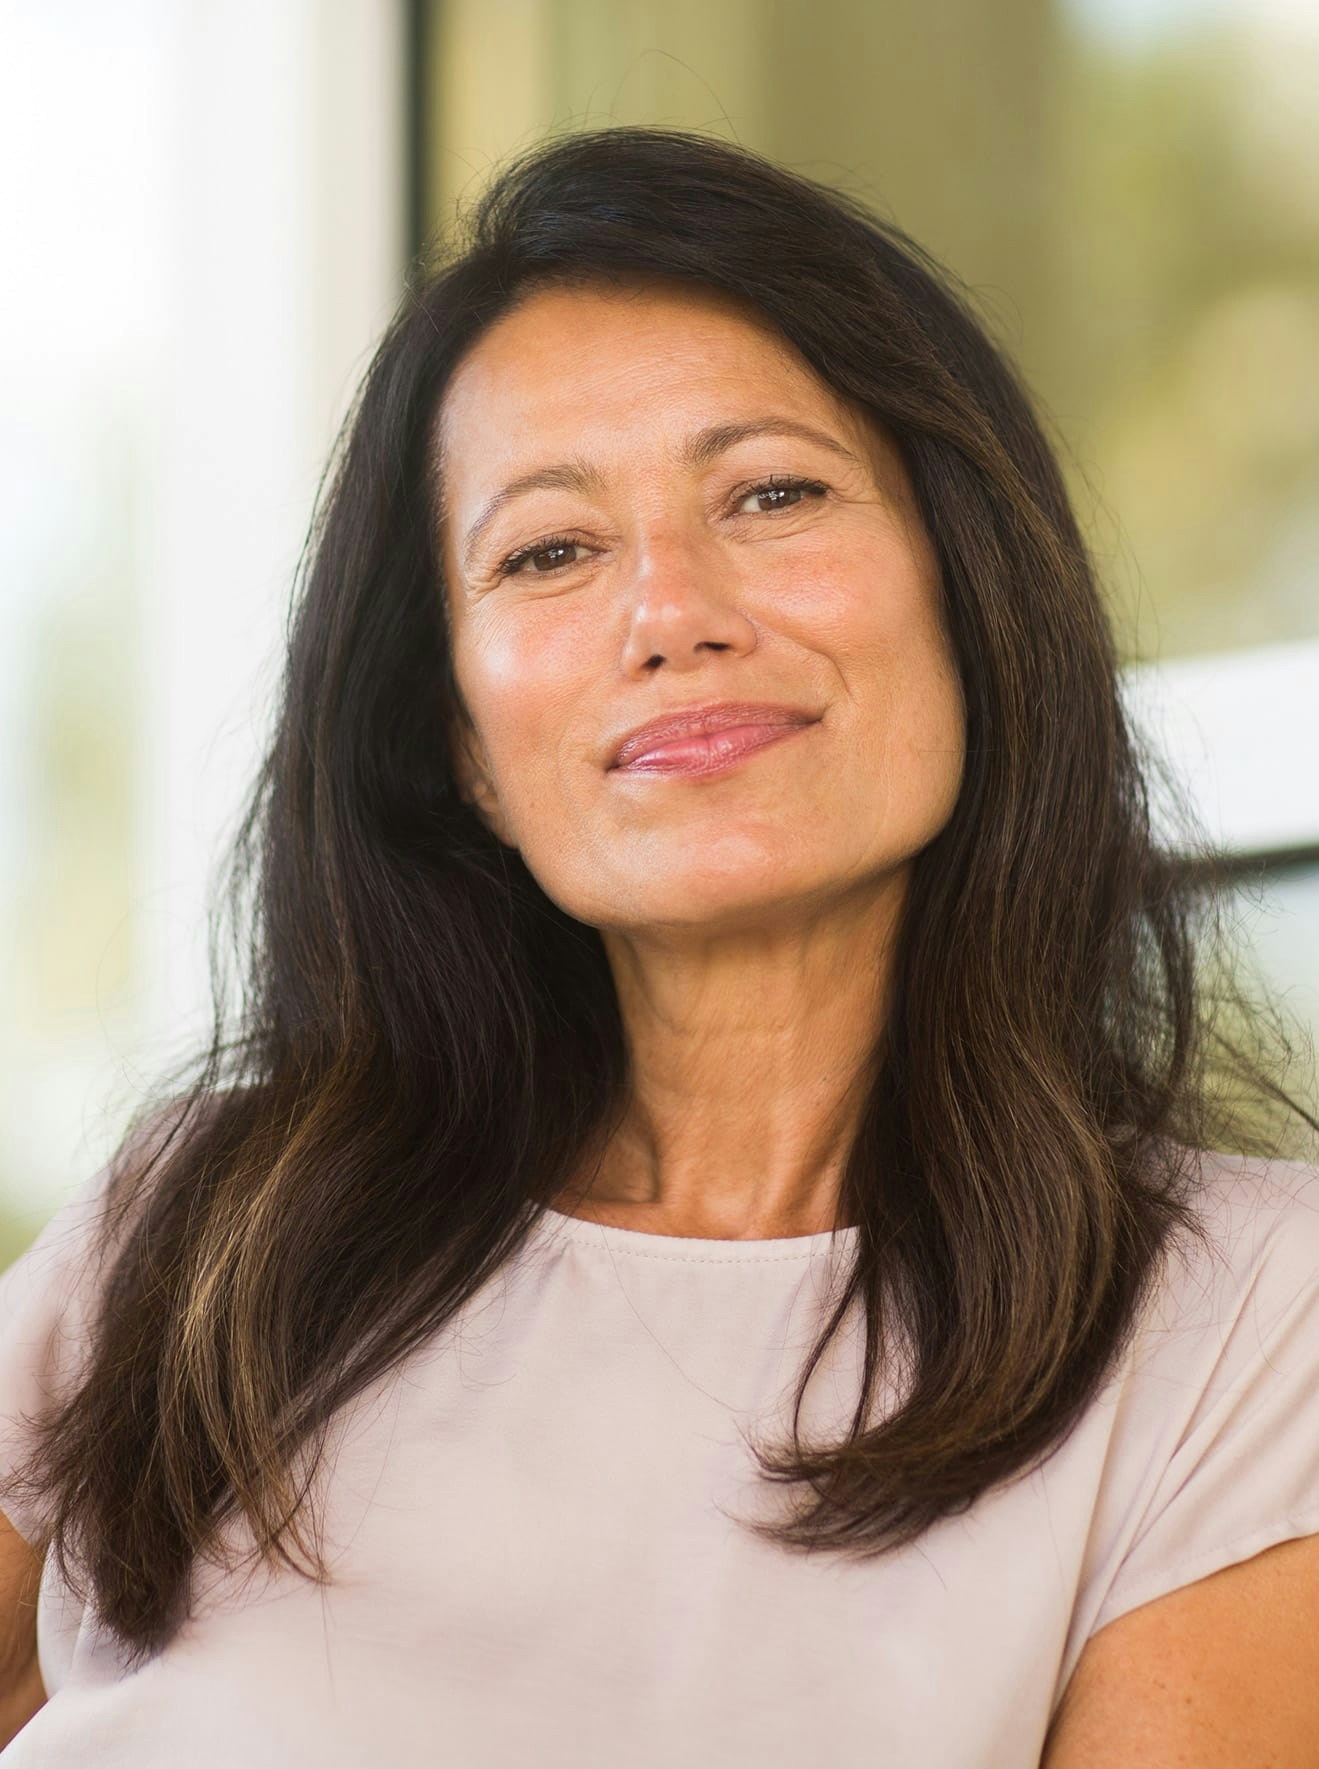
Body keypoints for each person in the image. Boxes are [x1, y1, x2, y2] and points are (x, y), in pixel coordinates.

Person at [0, 124, 1317, 1768]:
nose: (671, 610)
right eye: (550, 549)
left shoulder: (1254, 1316)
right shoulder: (203, 1230)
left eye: (773, 492)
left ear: (968, 594)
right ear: (462, 740)